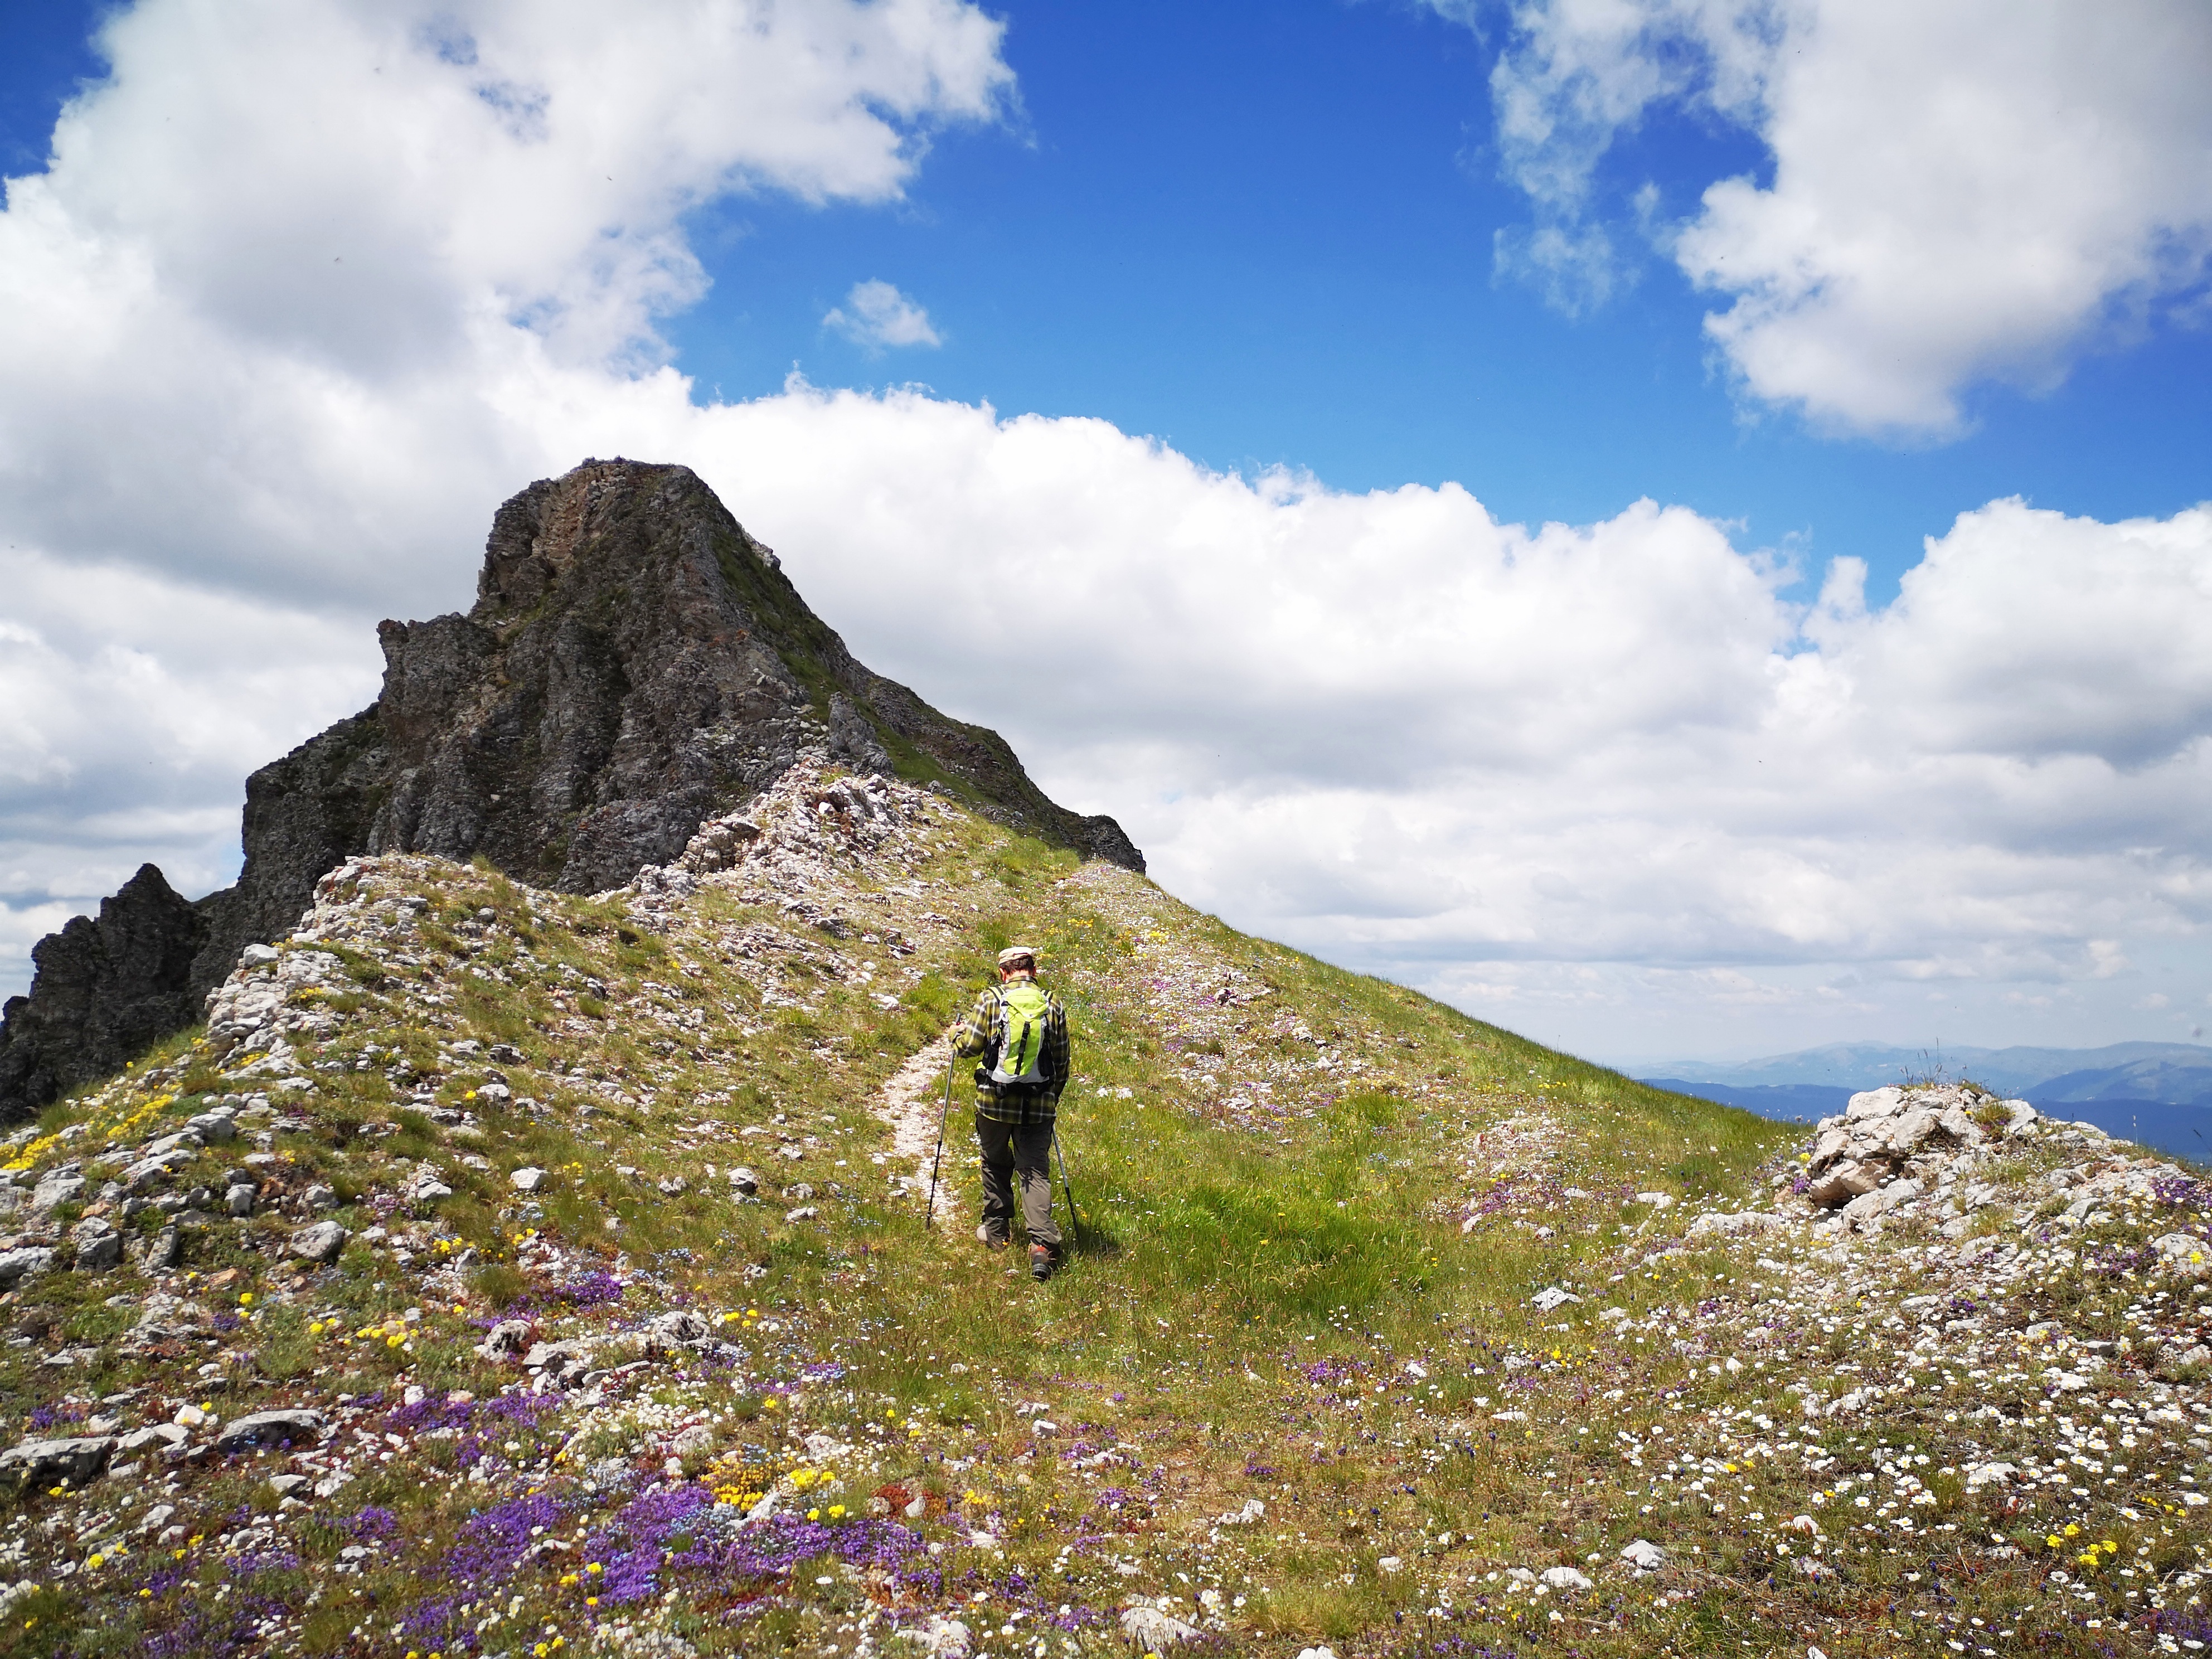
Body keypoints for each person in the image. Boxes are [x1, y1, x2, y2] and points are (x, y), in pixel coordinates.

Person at [951, 944, 1070, 1280]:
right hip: (1039, 1104)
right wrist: (1051, 1098)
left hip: (993, 1102)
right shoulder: (1052, 1004)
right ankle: (1042, 1247)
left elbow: (970, 1048)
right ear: (1034, 970)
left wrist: (954, 1036)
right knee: (1034, 1171)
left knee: (994, 1160)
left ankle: (997, 1233)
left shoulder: (991, 999)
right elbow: (1061, 1061)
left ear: (1004, 973)